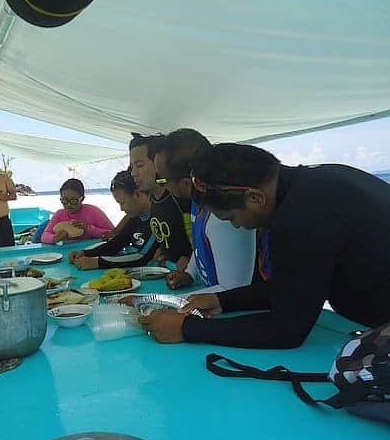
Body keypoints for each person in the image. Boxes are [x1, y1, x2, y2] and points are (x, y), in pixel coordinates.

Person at [140, 143, 390, 348]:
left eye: (233, 218)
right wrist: (223, 300)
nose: (238, 227)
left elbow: (287, 330)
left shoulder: (300, 215)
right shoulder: (319, 183)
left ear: (255, 198)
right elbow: (294, 284)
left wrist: (187, 328)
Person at [152, 129, 257, 292]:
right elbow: (202, 245)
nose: (162, 185)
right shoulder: (199, 200)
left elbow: (233, 289)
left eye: (162, 179)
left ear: (187, 184)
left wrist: (165, 303)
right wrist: (190, 273)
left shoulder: (223, 216)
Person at [69, 170, 155, 269]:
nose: (121, 209)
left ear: (137, 195)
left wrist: (97, 262)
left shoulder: (157, 218)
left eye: (122, 202)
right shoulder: (136, 217)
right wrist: (85, 253)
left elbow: (143, 258)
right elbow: (116, 244)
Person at [129, 133, 191, 267]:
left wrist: (192, 261)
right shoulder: (152, 199)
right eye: (132, 167)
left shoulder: (180, 196)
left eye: (139, 165)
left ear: (159, 163)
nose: (133, 173)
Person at [41, 178, 114, 244]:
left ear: (82, 199)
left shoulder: (93, 212)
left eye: (73, 200)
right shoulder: (59, 214)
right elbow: (44, 236)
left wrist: (89, 228)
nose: (68, 205)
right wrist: (55, 238)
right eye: (64, 200)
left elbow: (113, 234)